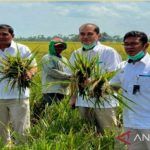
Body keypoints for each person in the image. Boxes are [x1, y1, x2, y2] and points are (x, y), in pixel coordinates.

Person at [69, 23, 122, 134]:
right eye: (82, 34)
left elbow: (115, 76)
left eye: (90, 34)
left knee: (108, 133)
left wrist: (92, 82)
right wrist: (73, 97)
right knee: (87, 132)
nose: (86, 37)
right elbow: (73, 79)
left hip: (104, 101)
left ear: (98, 35)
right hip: (83, 101)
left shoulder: (108, 52)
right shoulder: (76, 54)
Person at [110, 31, 150, 150]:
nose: (129, 47)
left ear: (145, 45)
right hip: (130, 122)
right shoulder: (122, 67)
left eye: (134, 44)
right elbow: (111, 87)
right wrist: (93, 83)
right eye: (126, 44)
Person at [0, 24, 37, 144]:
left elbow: (33, 67)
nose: (1, 37)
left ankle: (22, 147)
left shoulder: (22, 49)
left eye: (5, 34)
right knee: (1, 130)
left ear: (12, 35)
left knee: (21, 129)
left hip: (18, 96)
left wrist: (28, 74)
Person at [41, 37, 71, 110]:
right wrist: (69, 76)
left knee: (61, 112)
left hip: (63, 90)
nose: (60, 48)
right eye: (57, 46)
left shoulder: (64, 59)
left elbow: (68, 71)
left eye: (61, 46)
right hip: (51, 90)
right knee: (52, 111)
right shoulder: (47, 58)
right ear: (52, 47)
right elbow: (52, 71)